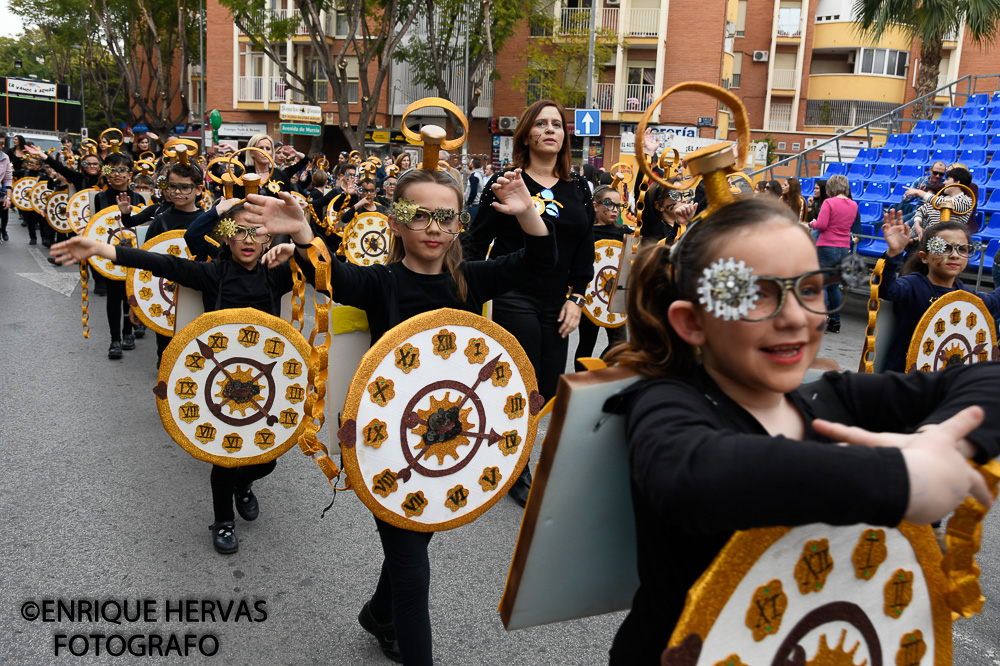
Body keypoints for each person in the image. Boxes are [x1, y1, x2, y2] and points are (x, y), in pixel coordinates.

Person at [602, 196, 1000, 665]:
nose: (795, 317)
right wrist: (896, 475)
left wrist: (939, 441)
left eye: (810, 290)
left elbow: (987, 379)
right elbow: (695, 473)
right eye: (757, 294)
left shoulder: (832, 396)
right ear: (692, 322)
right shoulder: (666, 402)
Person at [242, 166, 555, 666]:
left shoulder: (469, 279)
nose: (434, 227)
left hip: (450, 440)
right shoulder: (380, 282)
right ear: (395, 222)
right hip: (388, 448)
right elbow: (335, 279)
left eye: (446, 217)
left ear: (459, 225)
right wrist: (303, 232)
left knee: (415, 537)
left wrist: (527, 212)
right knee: (413, 570)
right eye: (420, 215)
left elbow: (541, 264)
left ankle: (377, 614)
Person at [51, 192, 319, 557]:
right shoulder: (212, 274)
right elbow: (159, 263)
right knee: (224, 458)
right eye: (240, 232)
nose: (249, 241)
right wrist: (99, 248)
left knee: (267, 459)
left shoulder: (278, 277)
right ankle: (223, 520)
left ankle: (244, 486)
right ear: (225, 235)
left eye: (258, 234)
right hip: (218, 384)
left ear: (270, 238)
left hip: (266, 385)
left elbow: (328, 268)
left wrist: (301, 240)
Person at [463, 100, 595, 507]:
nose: (551, 130)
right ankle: (517, 469)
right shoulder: (505, 182)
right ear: (526, 134)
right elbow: (474, 239)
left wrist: (577, 299)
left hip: (558, 301)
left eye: (557, 124)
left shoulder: (579, 190)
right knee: (519, 381)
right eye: (541, 123)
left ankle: (513, 450)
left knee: (548, 387)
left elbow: (583, 249)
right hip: (512, 293)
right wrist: (460, 284)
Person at [877, 213, 1000, 373]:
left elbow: (992, 302)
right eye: (944, 248)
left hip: (941, 385)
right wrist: (894, 253)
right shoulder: (913, 285)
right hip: (904, 378)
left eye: (962, 249)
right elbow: (886, 289)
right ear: (924, 257)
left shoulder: (963, 294)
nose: (954, 255)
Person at [573, 185, 633, 370]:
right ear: (595, 205)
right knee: (586, 342)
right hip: (589, 297)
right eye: (609, 204)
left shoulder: (625, 232)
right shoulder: (584, 233)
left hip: (617, 297)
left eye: (618, 205)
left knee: (620, 342)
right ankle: (581, 382)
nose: (614, 209)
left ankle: (597, 371)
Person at [809, 173, 856, 334]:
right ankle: (835, 321)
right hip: (843, 247)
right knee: (834, 286)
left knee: (822, 284)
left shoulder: (829, 202)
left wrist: (812, 223)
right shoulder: (853, 204)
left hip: (827, 245)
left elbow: (821, 225)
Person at [907, 166, 974, 240]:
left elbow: (944, 204)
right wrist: (917, 225)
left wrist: (919, 192)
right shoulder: (942, 198)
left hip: (945, 242)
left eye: (947, 179)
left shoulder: (966, 201)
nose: (944, 182)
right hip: (924, 239)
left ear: (957, 182)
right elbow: (921, 210)